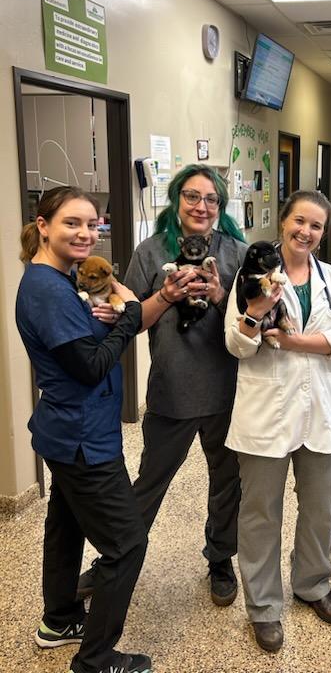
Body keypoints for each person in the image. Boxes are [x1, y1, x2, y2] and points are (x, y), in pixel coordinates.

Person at [78, 164, 247, 607]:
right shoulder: (150, 252)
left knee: (227, 482)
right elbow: (132, 321)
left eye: (211, 199)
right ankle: (115, 559)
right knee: (150, 481)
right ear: (176, 200)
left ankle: (220, 559)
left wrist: (219, 295)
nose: (202, 206)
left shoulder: (237, 253)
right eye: (192, 196)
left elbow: (253, 323)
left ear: (220, 207)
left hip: (229, 392)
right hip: (172, 389)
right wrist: (167, 295)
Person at [16, 187, 150, 673]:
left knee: (66, 524)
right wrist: (129, 320)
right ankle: (96, 659)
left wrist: (113, 317)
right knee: (128, 544)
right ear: (44, 224)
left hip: (66, 429)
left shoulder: (60, 279)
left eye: (92, 225)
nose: (85, 233)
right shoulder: (48, 291)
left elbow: (82, 344)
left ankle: (59, 619)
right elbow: (90, 366)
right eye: (72, 222)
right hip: (81, 438)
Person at [224, 190, 331, 653]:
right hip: (266, 410)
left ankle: (313, 584)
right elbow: (237, 345)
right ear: (283, 222)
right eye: (299, 221)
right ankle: (263, 607)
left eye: (316, 226)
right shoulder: (253, 273)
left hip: (320, 408)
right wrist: (253, 317)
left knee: (322, 505)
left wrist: (294, 341)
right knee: (261, 512)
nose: (306, 231)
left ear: (322, 234)